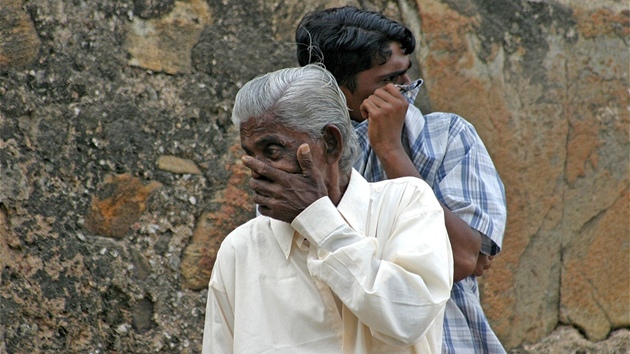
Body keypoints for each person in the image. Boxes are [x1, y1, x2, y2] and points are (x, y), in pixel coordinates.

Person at [296, 6, 508, 353]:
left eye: (404, 75)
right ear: (336, 90)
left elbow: (462, 259)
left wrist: (391, 151)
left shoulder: (449, 137)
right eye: (388, 81)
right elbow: (307, 266)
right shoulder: (306, 158)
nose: (407, 90)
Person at [202, 64, 453, 353]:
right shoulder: (240, 250)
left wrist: (318, 220)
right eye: (250, 155)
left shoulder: (405, 203)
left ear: (331, 144)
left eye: (272, 151)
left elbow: (406, 318)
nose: (257, 170)